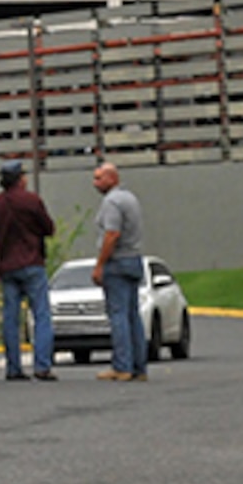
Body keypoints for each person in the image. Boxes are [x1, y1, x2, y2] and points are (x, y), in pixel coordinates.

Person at [0, 159, 57, 381]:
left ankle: (13, 368)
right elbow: (49, 229)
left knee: (10, 319)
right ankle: (42, 366)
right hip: (32, 263)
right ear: (20, 179)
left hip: (7, 267)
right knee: (41, 315)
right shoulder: (32, 201)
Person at [91, 161, 147, 382]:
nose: (95, 183)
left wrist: (100, 264)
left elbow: (112, 234)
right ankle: (139, 366)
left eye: (99, 178)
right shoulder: (130, 198)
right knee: (133, 315)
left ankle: (122, 366)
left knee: (118, 315)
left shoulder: (112, 202)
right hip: (134, 258)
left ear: (112, 178)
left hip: (118, 262)